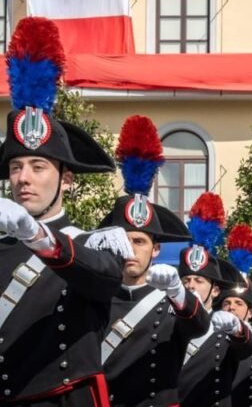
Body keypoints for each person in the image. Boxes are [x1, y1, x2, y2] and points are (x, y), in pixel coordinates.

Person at [0, 17, 128, 406]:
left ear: (67, 180)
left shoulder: (93, 244)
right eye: (16, 167)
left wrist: (39, 238)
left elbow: (105, 280)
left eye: (38, 166)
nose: (23, 178)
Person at [96, 115, 209, 407]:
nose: (130, 250)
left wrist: (177, 293)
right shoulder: (97, 297)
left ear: (156, 250)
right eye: (124, 239)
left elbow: (199, 325)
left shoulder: (172, 301)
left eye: (140, 241)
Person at [177, 193, 252, 407]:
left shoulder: (225, 326)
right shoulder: (168, 317)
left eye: (199, 280)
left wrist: (239, 329)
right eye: (186, 280)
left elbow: (247, 348)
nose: (191, 285)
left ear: (214, 291)